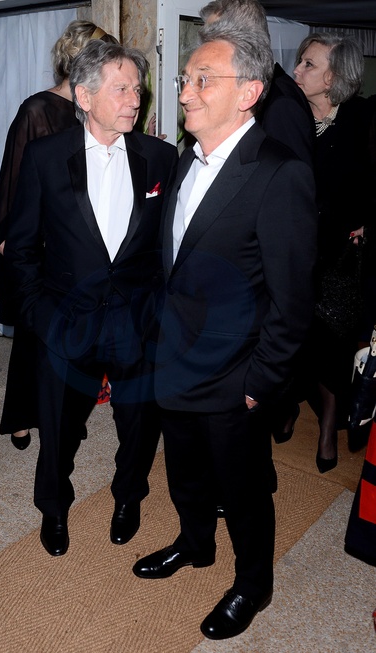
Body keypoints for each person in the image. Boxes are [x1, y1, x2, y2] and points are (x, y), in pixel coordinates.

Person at [132, 27, 317, 640]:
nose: (185, 92)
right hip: (174, 357)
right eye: (185, 79)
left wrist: (259, 383)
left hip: (236, 375)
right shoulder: (188, 156)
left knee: (243, 488)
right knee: (184, 470)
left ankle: (254, 583)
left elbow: (292, 302)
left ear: (249, 93)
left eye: (202, 80)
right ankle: (195, 544)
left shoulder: (280, 174)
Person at [3, 40, 178, 556]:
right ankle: (54, 508)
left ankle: (128, 498)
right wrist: (38, 315)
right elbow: (21, 248)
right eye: (121, 89)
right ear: (84, 96)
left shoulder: (161, 158)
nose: (135, 100)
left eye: (137, 89)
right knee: (58, 427)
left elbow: (169, 246)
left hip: (135, 321)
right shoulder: (45, 157)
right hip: (66, 319)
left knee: (139, 425)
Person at [0, 20, 118, 450]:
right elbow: (13, 189)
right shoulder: (36, 110)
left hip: (76, 247)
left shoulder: (95, 111)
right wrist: (13, 248)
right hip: (40, 249)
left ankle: (66, 413)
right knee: (35, 342)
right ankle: (22, 418)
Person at [291, 33, 374, 473]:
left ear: (333, 77)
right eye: (300, 61)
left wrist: (367, 221)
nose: (297, 70)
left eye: (309, 64)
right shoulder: (288, 114)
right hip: (294, 245)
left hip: (341, 251)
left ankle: (327, 422)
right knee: (291, 332)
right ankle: (287, 402)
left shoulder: (362, 117)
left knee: (333, 340)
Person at [199, 0, 315, 167]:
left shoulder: (281, 103)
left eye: (212, 39)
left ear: (243, 40)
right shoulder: (251, 89)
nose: (204, 48)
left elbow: (291, 176)